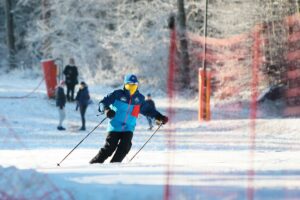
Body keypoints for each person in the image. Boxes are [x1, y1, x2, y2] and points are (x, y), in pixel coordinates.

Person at [89, 74, 168, 164]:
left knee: (125, 147)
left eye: (134, 86)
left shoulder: (139, 99)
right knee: (109, 149)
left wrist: (159, 117)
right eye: (129, 86)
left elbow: (148, 110)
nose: (131, 89)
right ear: (125, 85)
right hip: (114, 127)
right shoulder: (117, 94)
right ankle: (93, 165)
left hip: (128, 128)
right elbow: (102, 103)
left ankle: (114, 165)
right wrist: (107, 110)